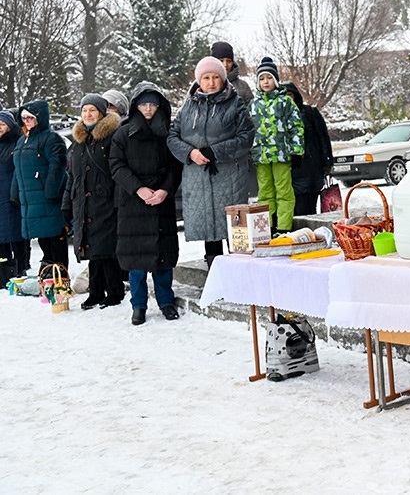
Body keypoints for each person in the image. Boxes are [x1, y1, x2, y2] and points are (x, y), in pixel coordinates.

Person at [167, 56, 255, 269]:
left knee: (234, 228)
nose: (211, 82)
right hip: (199, 177)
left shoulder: (235, 104)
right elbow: (172, 136)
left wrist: (216, 151)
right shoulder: (188, 107)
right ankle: (214, 271)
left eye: (216, 77)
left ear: (223, 79)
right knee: (209, 227)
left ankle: (240, 273)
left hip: (229, 177)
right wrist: (190, 153)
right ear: (199, 80)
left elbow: (247, 136)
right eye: (206, 77)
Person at [110, 83, 182, 325]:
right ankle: (138, 305)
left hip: (162, 201)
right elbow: (116, 166)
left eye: (152, 104)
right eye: (144, 104)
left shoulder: (167, 134)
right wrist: (138, 189)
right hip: (133, 204)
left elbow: (175, 166)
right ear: (135, 106)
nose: (148, 109)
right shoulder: (123, 133)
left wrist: (164, 190)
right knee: (136, 260)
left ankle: (166, 301)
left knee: (163, 256)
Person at [63, 94, 124, 309]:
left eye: (92, 110)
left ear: (102, 113)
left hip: (105, 201)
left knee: (106, 249)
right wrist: (66, 204)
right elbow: (72, 177)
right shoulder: (78, 142)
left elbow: (117, 171)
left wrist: (117, 200)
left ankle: (114, 291)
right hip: (83, 202)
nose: (88, 114)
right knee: (92, 249)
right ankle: (96, 291)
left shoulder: (112, 137)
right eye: (84, 110)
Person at [10, 99, 69, 272]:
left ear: (40, 118)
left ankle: (60, 278)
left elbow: (57, 165)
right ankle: (48, 276)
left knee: (54, 238)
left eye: (30, 118)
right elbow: (18, 169)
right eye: (24, 118)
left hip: (48, 199)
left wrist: (51, 191)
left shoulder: (51, 139)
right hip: (30, 199)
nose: (26, 121)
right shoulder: (23, 141)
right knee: (43, 238)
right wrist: (15, 193)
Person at [248, 58, 304, 233]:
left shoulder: (285, 102)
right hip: (261, 156)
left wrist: (296, 151)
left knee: (283, 190)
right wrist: (249, 152)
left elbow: (296, 126)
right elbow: (248, 130)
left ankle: (284, 226)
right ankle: (268, 225)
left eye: (269, 78)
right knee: (264, 192)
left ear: (276, 80)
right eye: (262, 78)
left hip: (281, 154)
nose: (266, 82)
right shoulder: (253, 104)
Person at [283, 82, 333, 215]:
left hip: (311, 172)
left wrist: (327, 163)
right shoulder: (277, 117)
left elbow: (323, 139)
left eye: (289, 95)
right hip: (291, 173)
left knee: (308, 211)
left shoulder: (310, 113)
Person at [0, 110, 29, 281]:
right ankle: (4, 270)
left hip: (12, 194)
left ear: (10, 126)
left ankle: (20, 266)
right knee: (2, 235)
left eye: (2, 124)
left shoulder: (17, 142)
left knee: (16, 232)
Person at [211, 41, 254, 107]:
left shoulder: (243, 86)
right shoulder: (205, 85)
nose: (225, 65)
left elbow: (252, 111)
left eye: (229, 61)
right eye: (221, 61)